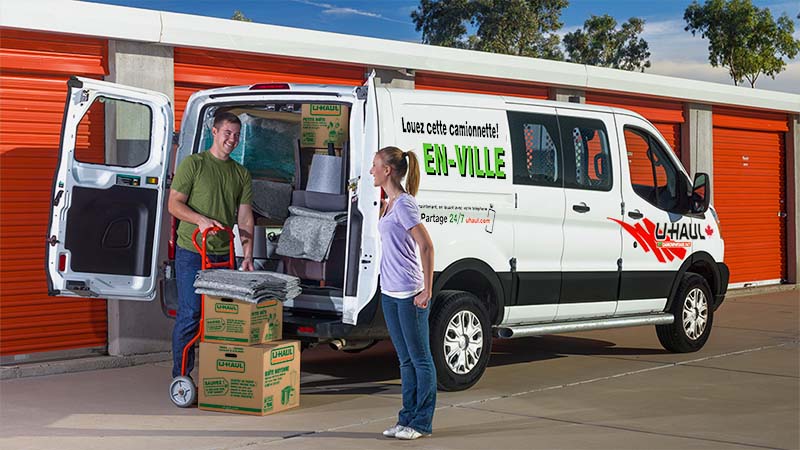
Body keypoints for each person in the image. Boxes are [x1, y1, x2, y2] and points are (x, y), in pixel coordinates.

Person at [168, 112, 255, 380]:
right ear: (214, 132)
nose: (232, 139)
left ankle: (220, 374)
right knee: (191, 314)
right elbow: (174, 204)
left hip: (223, 253)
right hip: (192, 252)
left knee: (222, 318)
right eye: (227, 133)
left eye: (237, 135)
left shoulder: (241, 173)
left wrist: (248, 253)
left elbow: (244, 216)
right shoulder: (194, 165)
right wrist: (201, 220)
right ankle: (181, 377)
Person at [369, 146, 436, 440]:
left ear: (388, 171)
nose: (371, 171)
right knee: (405, 360)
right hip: (390, 292)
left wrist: (427, 290)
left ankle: (421, 422)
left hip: (410, 293)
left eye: (375, 165)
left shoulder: (405, 205)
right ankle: (406, 419)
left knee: (420, 359)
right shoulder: (388, 203)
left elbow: (427, 246)